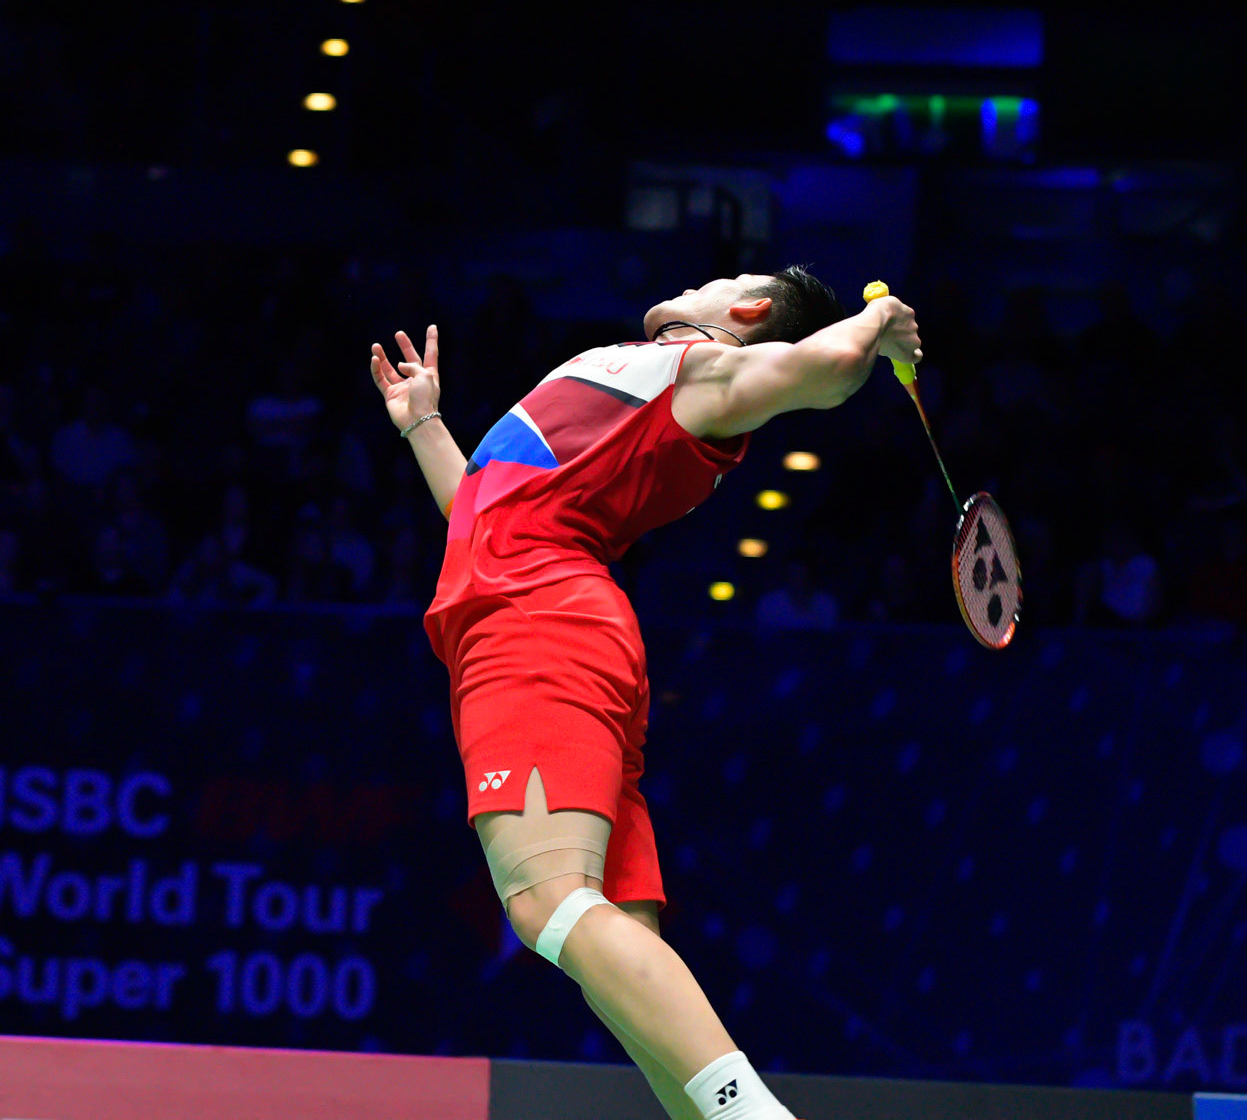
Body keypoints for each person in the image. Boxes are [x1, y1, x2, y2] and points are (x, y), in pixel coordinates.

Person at [370, 268, 920, 1120]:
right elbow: (484, 517)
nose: (702, 279)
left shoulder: (697, 372)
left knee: (548, 901)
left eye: (728, 278)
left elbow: (827, 367)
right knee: (616, 957)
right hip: (559, 616)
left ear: (748, 311)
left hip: (534, 623)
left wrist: (875, 320)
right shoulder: (637, 375)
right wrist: (426, 425)